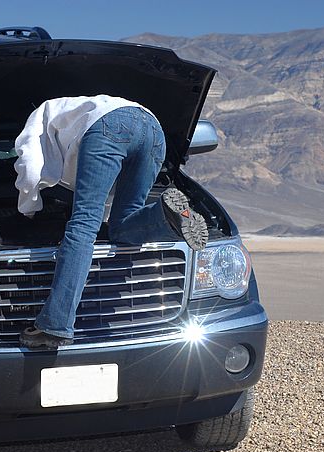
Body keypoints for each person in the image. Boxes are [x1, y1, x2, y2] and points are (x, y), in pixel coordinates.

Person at [13, 94, 208, 349]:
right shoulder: (78, 107)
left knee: (83, 225)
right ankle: (164, 218)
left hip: (109, 126)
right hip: (153, 129)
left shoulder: (40, 115)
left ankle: (55, 325)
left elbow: (30, 165)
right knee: (123, 226)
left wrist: (28, 208)